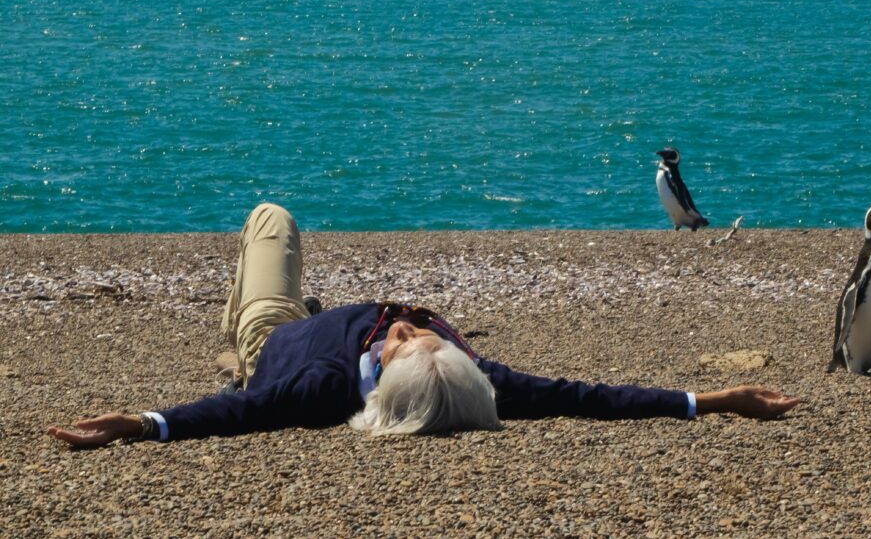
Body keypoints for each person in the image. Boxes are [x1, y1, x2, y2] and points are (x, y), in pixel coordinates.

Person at [48, 204, 801, 448]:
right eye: (431, 331)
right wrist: (714, 400)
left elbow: (235, 413)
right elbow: (590, 396)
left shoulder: (315, 388)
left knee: (269, 222)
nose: (407, 322)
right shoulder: (476, 382)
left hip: (276, 339)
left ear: (379, 381)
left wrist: (143, 424)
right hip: (325, 327)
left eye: (408, 338)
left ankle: (237, 334)